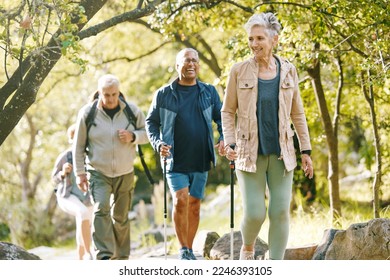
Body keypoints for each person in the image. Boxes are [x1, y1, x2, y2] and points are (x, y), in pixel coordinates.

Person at [221, 12, 314, 260]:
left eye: (260, 38)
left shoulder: (288, 71)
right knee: (255, 213)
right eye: (251, 39)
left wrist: (306, 151)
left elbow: (298, 114)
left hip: (282, 153)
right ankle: (248, 247)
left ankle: (274, 268)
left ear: (275, 40)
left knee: (280, 211)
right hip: (248, 152)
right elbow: (228, 111)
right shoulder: (238, 71)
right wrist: (229, 141)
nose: (254, 44)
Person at [145, 48, 225, 260]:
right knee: (181, 199)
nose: (191, 64)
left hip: (201, 157)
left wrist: (224, 138)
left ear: (198, 65)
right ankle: (184, 250)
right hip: (173, 159)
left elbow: (222, 118)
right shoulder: (164, 94)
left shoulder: (208, 91)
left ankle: (190, 249)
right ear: (177, 66)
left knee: (195, 205)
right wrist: (157, 142)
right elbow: (150, 122)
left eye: (195, 61)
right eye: (186, 61)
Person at [73, 74, 149, 260]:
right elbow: (78, 146)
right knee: (101, 210)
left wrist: (133, 137)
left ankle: (122, 258)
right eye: (106, 95)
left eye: (114, 94)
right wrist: (80, 173)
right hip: (98, 171)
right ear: (99, 93)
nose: (111, 99)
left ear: (119, 91)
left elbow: (148, 134)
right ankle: (104, 257)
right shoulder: (87, 113)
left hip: (125, 171)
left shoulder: (132, 111)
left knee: (121, 217)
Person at [51, 124, 93, 260]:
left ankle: (80, 262)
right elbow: (53, 180)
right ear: (71, 140)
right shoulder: (65, 157)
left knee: (84, 227)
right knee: (83, 213)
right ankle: (89, 254)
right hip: (67, 196)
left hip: (87, 198)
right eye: (75, 139)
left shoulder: (90, 155)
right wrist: (63, 173)